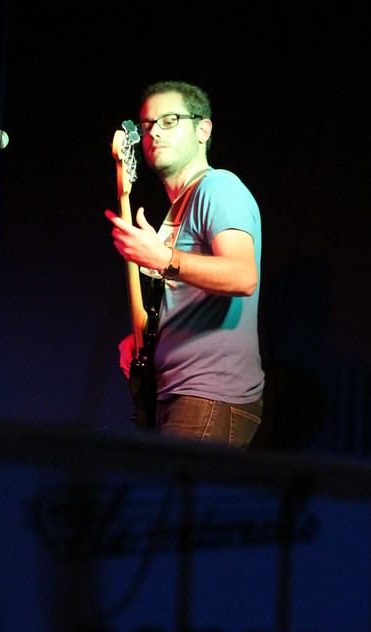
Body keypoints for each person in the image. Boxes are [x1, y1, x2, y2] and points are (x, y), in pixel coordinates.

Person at [105, 80, 265, 449]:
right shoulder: (180, 209)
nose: (154, 133)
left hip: (209, 394)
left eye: (170, 120)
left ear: (203, 130)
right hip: (180, 392)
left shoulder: (218, 187)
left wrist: (164, 258)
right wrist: (147, 342)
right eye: (147, 125)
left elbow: (243, 276)